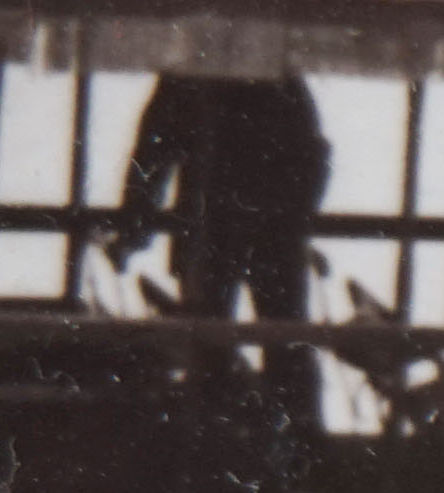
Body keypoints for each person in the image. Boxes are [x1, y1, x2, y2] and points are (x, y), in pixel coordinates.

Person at [107, 73, 335, 426]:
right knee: (285, 343)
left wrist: (132, 232)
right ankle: (298, 440)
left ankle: (212, 438)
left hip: (210, 236)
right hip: (272, 236)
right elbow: (316, 156)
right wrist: (294, 218)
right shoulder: (278, 76)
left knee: (210, 347)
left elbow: (153, 151)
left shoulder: (190, 75)